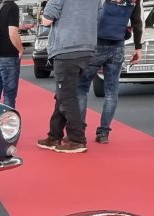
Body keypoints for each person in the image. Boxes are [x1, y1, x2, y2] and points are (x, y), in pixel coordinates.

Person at [37, 0, 98, 153]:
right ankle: (54, 135)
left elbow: (47, 20)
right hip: (87, 48)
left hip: (66, 48)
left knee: (66, 96)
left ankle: (77, 139)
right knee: (64, 94)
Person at [78, 0, 142, 144]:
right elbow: (137, 22)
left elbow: (88, 17)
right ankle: (103, 133)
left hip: (96, 44)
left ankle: (79, 131)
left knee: (81, 89)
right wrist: (138, 47)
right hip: (117, 46)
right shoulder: (134, 1)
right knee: (111, 92)